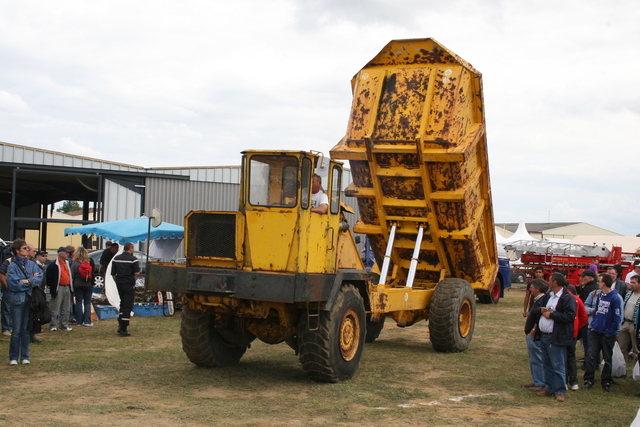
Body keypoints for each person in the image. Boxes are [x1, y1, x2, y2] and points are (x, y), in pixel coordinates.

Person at [536, 272, 576, 402]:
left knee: (558, 364)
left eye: (550, 280)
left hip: (556, 336)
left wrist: (552, 315)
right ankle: (550, 387)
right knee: (546, 363)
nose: (548, 282)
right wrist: (541, 310)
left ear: (556, 282)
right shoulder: (549, 295)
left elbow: (570, 316)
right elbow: (538, 307)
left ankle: (560, 391)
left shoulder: (567, 297)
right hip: (544, 335)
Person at [6, 239, 43, 365]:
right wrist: (30, 282)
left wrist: (27, 282)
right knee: (16, 330)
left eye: (28, 248)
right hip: (17, 301)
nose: (28, 250)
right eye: (25, 248)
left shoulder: (32, 265)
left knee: (26, 329)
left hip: (30, 300)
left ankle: (25, 356)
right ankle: (13, 357)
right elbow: (13, 284)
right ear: (17, 251)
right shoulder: (12, 266)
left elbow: (39, 278)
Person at [583, 273, 621, 392]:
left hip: (607, 333)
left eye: (599, 281)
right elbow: (597, 311)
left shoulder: (615, 298)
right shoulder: (599, 295)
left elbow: (617, 317)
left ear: (604, 283)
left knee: (607, 358)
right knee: (591, 355)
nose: (597, 283)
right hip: (595, 331)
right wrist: (594, 325)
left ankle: (606, 381)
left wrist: (611, 332)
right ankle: (589, 379)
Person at [523, 278, 548, 391]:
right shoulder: (539, 299)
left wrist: (533, 330)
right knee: (533, 358)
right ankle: (536, 380)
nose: (530, 289)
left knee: (537, 358)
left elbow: (540, 317)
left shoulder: (542, 300)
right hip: (532, 333)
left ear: (537, 289)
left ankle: (540, 382)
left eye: (532, 287)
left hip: (535, 335)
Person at [111, 242, 140, 337]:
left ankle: (120, 323)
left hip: (119, 283)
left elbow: (113, 273)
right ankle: (124, 328)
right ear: (130, 249)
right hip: (128, 284)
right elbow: (137, 273)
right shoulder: (133, 259)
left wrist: (118, 280)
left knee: (122, 303)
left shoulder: (116, 258)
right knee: (127, 305)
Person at [46, 247, 74, 332]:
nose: (67, 254)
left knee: (66, 308)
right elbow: (49, 277)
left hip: (67, 286)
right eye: (66, 253)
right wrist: (52, 286)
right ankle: (53, 325)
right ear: (60, 253)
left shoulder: (67, 263)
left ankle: (64, 325)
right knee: (55, 307)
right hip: (58, 287)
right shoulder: (54, 264)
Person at [566, 286, 588, 391]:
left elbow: (583, 317)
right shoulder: (577, 299)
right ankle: (574, 382)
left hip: (564, 332)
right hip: (573, 332)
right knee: (571, 357)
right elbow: (583, 317)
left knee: (562, 357)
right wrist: (577, 327)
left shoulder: (563, 298)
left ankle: (565, 381)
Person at [70, 247, 95, 327]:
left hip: (77, 284)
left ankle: (79, 321)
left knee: (78, 302)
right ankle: (87, 321)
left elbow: (72, 275)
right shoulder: (89, 262)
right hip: (88, 285)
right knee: (87, 302)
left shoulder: (75, 264)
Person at [619, 275, 640, 363]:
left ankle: (636, 370)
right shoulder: (628, 294)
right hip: (626, 323)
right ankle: (622, 367)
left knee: (636, 350)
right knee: (621, 347)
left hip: (635, 325)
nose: (631, 284)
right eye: (631, 282)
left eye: (634, 283)